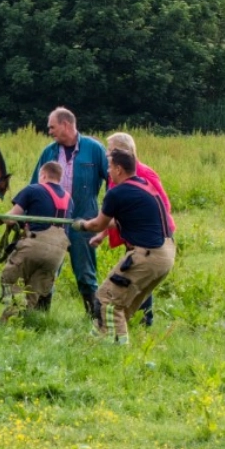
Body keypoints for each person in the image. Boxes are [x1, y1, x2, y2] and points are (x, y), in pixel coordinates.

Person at [72, 149, 176, 345]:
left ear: (119, 169)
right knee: (123, 305)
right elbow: (119, 222)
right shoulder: (144, 185)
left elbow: (98, 225)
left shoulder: (117, 192)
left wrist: (80, 224)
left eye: (110, 167)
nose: (108, 171)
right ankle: (97, 342)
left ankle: (116, 350)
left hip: (147, 254)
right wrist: (96, 226)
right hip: (166, 254)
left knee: (106, 298)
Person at [91, 132, 175, 327]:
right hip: (133, 236)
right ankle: (123, 322)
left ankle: (144, 320)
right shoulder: (115, 175)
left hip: (151, 238)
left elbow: (163, 206)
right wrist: (102, 234)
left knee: (138, 278)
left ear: (123, 152)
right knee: (129, 281)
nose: (106, 155)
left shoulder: (144, 174)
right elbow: (113, 212)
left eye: (110, 150)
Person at [31, 107, 109, 317]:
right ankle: (41, 316)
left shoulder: (94, 149)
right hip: (52, 223)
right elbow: (35, 186)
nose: (49, 131)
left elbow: (113, 181)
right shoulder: (49, 152)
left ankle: (93, 316)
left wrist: (109, 211)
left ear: (66, 124)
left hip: (83, 221)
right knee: (47, 268)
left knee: (85, 272)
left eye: (52, 127)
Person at [0, 161, 71, 323]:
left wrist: (0, 219)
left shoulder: (33, 189)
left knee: (8, 278)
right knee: (34, 291)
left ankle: (10, 316)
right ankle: (23, 322)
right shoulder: (69, 198)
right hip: (58, 252)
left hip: (36, 244)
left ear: (43, 175)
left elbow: (12, 218)